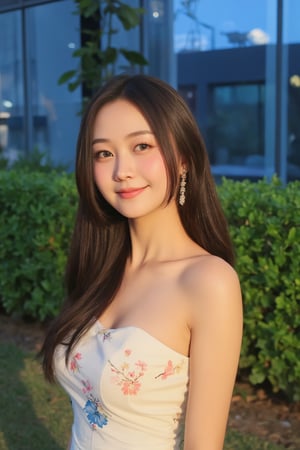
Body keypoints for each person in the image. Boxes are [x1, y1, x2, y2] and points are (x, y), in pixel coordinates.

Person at [41, 74, 243, 450]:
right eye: (104, 153)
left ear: (183, 158)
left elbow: (203, 444)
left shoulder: (208, 282)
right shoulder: (102, 264)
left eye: (142, 146)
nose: (122, 171)